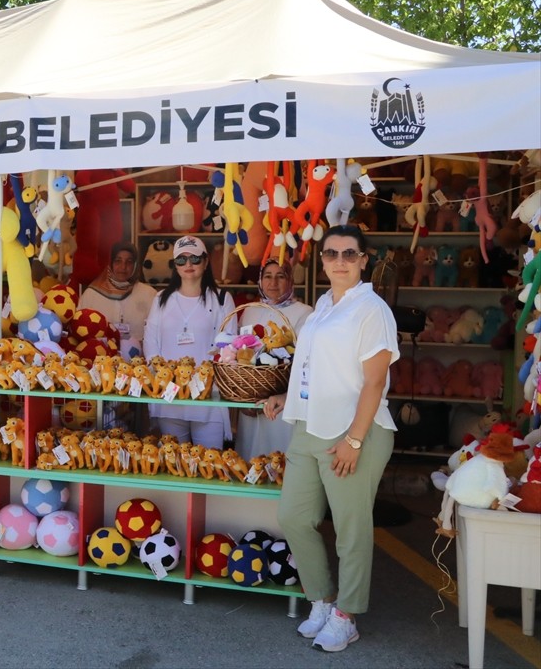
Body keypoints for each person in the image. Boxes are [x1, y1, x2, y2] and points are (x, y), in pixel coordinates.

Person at [265, 224, 398, 653]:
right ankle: (321, 599)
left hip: (353, 429)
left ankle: (347, 614)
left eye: (348, 253)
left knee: (350, 528)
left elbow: (374, 382)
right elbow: (313, 365)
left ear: (363, 260)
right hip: (309, 424)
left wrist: (355, 440)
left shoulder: (371, 309)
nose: (339, 261)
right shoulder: (324, 304)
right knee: (293, 516)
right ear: (321, 260)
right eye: (331, 253)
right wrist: (287, 396)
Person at [142, 235, 235, 448]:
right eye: (181, 260)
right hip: (171, 394)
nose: (189, 265)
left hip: (208, 395)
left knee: (211, 463)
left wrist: (209, 377)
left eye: (194, 258)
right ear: (175, 265)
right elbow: (151, 342)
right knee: (176, 463)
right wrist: (161, 377)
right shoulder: (161, 298)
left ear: (206, 261)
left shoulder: (221, 299)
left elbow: (229, 346)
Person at [234, 258, 314, 460]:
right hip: (251, 401)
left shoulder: (304, 312)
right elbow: (238, 353)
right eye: (267, 277)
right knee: (251, 457)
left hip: (282, 398)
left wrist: (280, 393)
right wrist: (245, 396)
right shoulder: (250, 310)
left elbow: (303, 359)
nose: (273, 283)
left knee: (280, 457)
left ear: (290, 280)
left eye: (280, 276)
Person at [78, 242, 156, 359]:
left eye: (129, 262)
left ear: (135, 265)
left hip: (139, 364)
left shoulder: (149, 294)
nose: (123, 267)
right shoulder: (92, 294)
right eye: (118, 261)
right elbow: (78, 329)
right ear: (110, 263)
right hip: (100, 362)